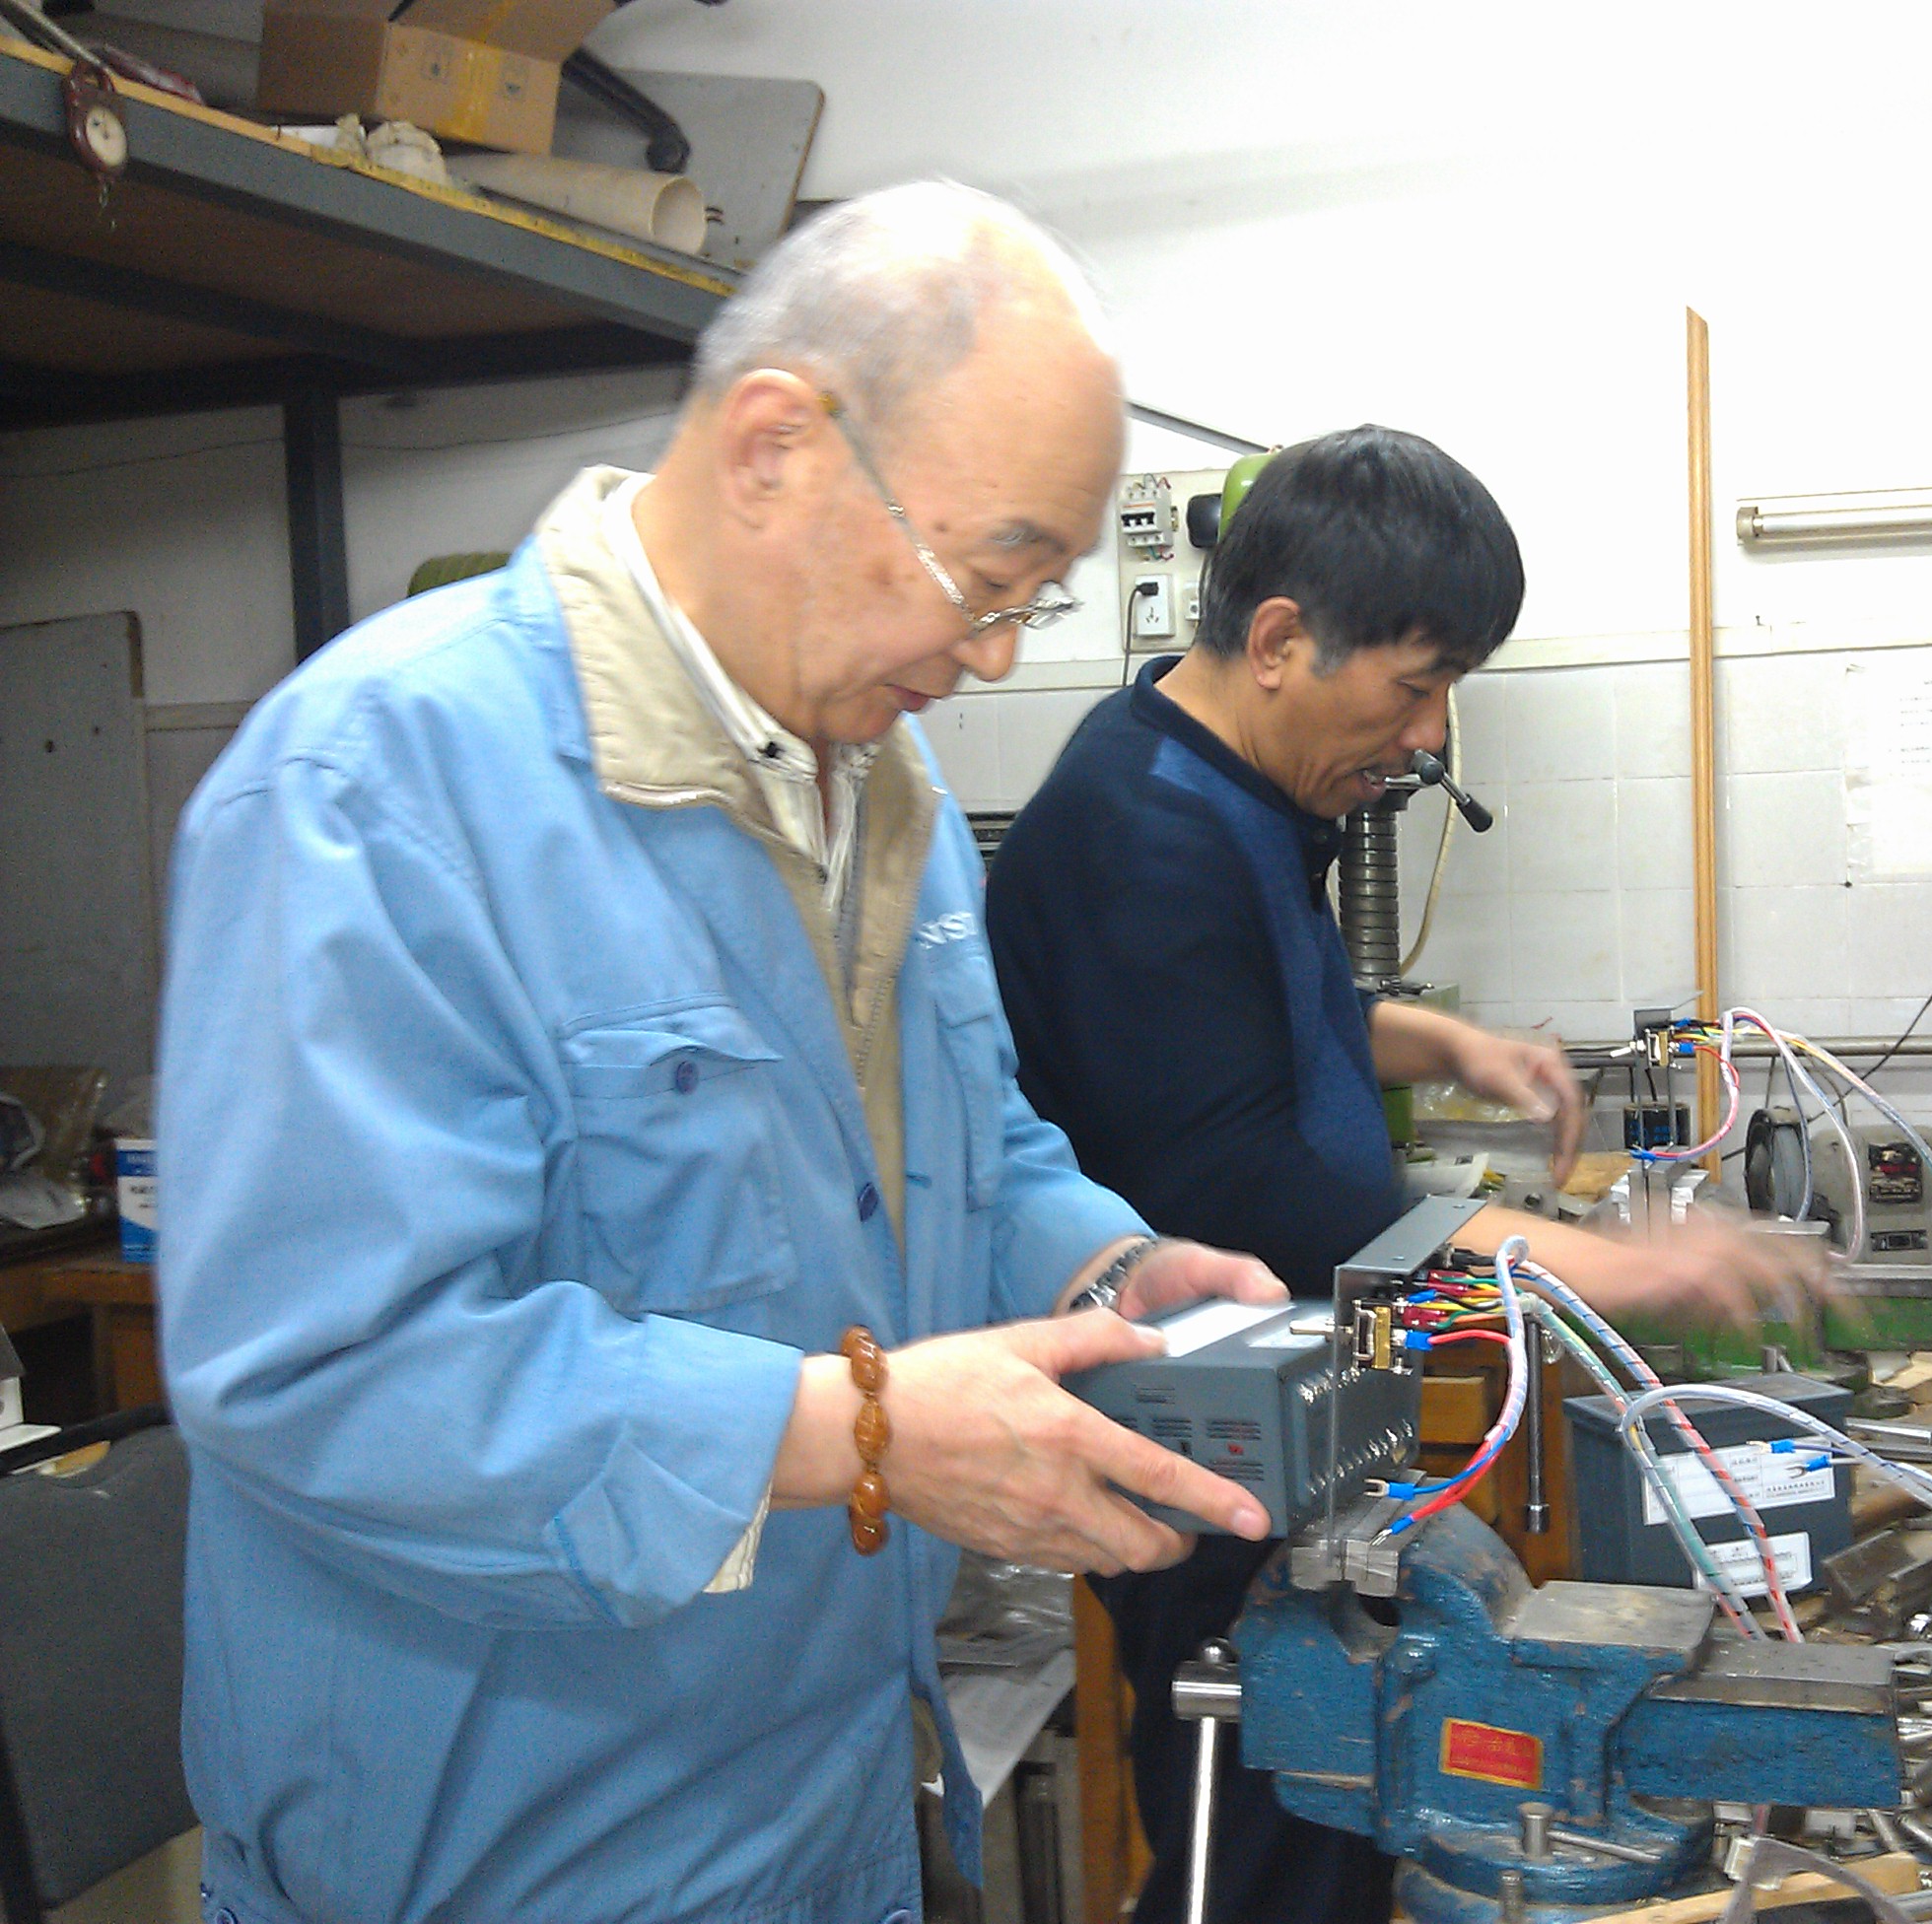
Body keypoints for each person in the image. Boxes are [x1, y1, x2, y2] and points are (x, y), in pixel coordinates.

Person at [154, 182, 1293, 1924]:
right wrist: (856, 1430)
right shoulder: (376, 789)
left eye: (1036, 599)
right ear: (776, 449)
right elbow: (321, 1373)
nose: (995, 654)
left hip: (831, 1805)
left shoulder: (884, 786)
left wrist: (1106, 1265)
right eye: (985, 580)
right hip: (514, 1857)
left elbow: (962, 1149)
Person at [984, 426, 1828, 1924]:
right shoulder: (1139, 831)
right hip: (1204, 1433)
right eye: (1416, 685)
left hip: (1311, 1400)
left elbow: (1251, 1015)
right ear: (1279, 642)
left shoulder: (1235, 783)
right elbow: (1243, 1182)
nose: (1430, 735)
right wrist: (1616, 1267)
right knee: (1263, 1831)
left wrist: (1437, 1041)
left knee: (1355, 1798)